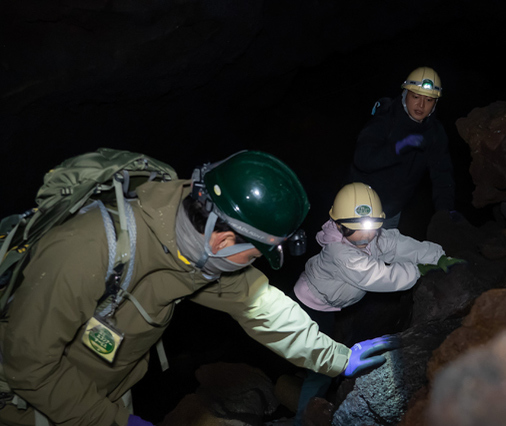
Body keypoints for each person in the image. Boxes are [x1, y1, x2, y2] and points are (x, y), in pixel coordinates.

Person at [0, 151, 398, 426]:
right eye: (256, 254)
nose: (255, 264)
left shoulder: (196, 252)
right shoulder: (84, 254)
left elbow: (260, 305)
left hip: (105, 391)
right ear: (224, 242)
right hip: (27, 409)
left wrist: (337, 358)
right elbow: (28, 366)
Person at [289, 182, 464, 425]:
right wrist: (420, 269)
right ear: (339, 226)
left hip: (334, 302)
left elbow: (397, 244)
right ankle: (302, 419)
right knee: (320, 369)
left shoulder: (370, 236)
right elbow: (380, 276)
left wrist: (436, 255)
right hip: (311, 306)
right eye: (356, 228)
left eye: (372, 226)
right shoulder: (340, 253)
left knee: (339, 341)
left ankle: (320, 378)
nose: (367, 235)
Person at [347, 66, 456, 229]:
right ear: (405, 94)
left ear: (435, 103)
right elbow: (362, 159)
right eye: (416, 96)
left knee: (384, 253)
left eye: (428, 100)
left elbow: (442, 174)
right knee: (350, 252)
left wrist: (446, 211)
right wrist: (398, 148)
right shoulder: (386, 117)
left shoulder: (435, 133)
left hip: (392, 211)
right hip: (359, 204)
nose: (421, 105)